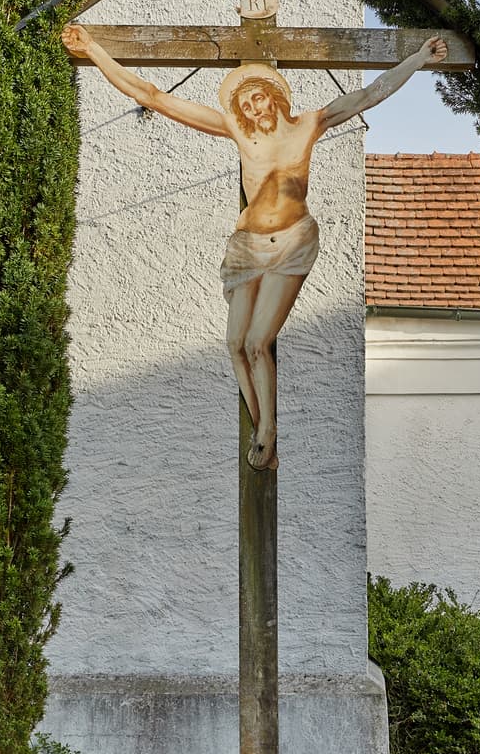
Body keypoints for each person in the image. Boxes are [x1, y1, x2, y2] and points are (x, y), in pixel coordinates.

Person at [62, 24, 449, 469]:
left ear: (274, 95)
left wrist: (418, 59)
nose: (252, 108)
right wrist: (93, 49)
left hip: (293, 241)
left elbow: (369, 94)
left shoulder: (309, 125)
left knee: (258, 341)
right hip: (247, 245)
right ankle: (262, 423)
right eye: (244, 103)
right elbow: (152, 96)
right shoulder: (239, 133)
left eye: (257, 98)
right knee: (235, 344)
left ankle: (267, 430)